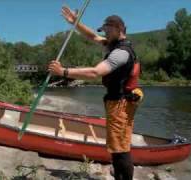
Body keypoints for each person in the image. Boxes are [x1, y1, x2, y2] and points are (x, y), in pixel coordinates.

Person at [48, 6, 143, 180]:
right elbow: (92, 36)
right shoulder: (114, 44)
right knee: (117, 146)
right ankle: (119, 175)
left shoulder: (121, 53)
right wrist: (76, 23)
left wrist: (63, 72)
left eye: (107, 30)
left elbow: (95, 73)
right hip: (116, 101)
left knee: (121, 149)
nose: (105, 34)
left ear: (118, 29)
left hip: (120, 103)